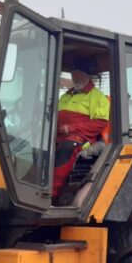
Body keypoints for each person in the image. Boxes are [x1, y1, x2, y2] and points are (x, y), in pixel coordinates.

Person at [52, 57, 110, 202]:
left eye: (78, 73)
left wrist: (71, 128)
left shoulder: (97, 97)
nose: (74, 77)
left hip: (82, 139)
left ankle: (51, 192)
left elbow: (99, 123)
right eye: (73, 73)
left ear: (87, 75)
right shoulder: (66, 95)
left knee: (66, 149)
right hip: (60, 135)